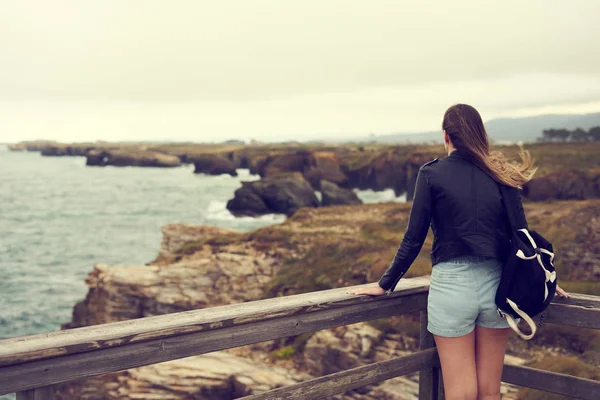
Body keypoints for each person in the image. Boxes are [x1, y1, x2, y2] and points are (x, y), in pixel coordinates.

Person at [348, 104, 569, 400]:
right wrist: (546, 279)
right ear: (480, 135)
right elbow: (523, 239)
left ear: (446, 136)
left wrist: (384, 284)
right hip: (498, 288)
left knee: (461, 393)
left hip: (452, 287)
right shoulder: (503, 176)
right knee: (489, 392)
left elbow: (413, 239)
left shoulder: (431, 174)